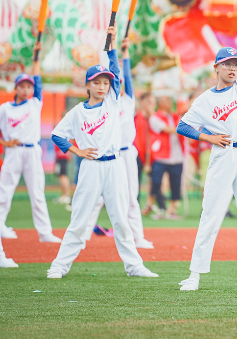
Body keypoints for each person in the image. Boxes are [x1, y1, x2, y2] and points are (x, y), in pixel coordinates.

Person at [175, 0, 237, 292]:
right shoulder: (204, 100)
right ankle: (194, 275)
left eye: (236, 64)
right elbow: (183, 126)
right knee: (211, 215)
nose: (233, 68)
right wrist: (208, 137)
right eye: (228, 64)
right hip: (224, 155)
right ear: (216, 67)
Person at [48, 25, 157, 279]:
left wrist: (112, 46)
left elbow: (116, 71)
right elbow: (57, 135)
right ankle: (59, 266)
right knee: (79, 219)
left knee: (120, 219)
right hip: (91, 167)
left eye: (105, 82)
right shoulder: (77, 112)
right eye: (96, 82)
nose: (102, 86)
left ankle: (134, 266)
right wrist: (76, 151)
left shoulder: (112, 102)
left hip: (115, 166)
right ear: (87, 84)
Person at [82, 36, 153, 248]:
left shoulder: (128, 99)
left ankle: (137, 237)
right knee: (97, 197)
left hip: (127, 153)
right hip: (107, 153)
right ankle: (82, 236)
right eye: (114, 83)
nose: (117, 85)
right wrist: (111, 51)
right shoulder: (105, 103)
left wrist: (125, 53)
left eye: (118, 83)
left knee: (131, 196)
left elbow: (126, 76)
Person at [0, 40, 61, 243]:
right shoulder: (5, 109)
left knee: (37, 193)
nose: (26, 89)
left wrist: (36, 58)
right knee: (4, 191)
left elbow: (38, 79)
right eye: (22, 86)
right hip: (14, 152)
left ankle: (45, 233)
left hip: (32, 151)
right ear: (16, 88)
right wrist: (3, 143)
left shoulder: (35, 102)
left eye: (29, 86)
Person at [149, 96, 184, 220]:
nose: (170, 103)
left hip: (177, 157)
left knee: (176, 184)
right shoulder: (155, 118)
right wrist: (184, 130)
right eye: (167, 101)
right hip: (161, 156)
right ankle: (157, 205)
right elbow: (167, 130)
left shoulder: (175, 116)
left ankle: (171, 210)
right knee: (156, 182)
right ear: (161, 103)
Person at [135, 92, 156, 213]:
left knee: (154, 180)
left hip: (150, 154)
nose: (151, 105)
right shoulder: (135, 117)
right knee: (135, 182)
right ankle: (135, 206)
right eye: (149, 102)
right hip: (137, 154)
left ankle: (151, 204)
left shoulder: (153, 119)